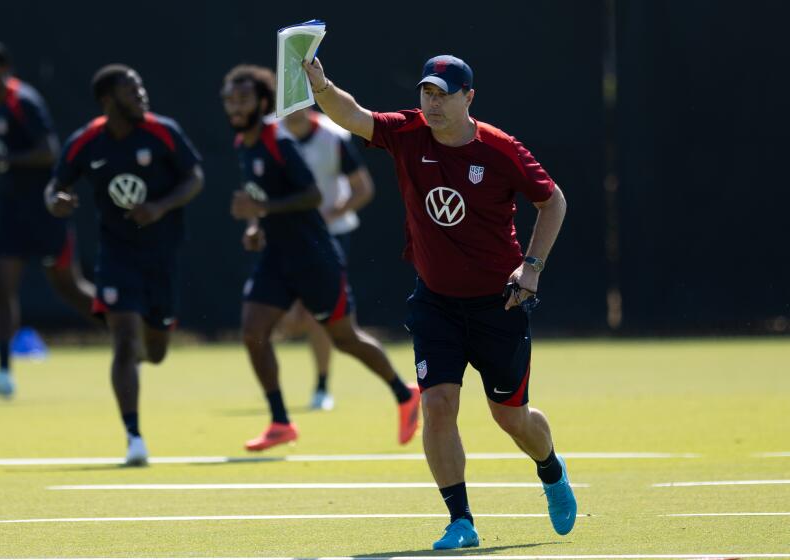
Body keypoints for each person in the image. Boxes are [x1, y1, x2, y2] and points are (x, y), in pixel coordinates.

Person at [303, 54, 575, 548]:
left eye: (442, 95)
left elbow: (552, 200)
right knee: (439, 405)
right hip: (435, 303)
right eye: (426, 93)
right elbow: (353, 115)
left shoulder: (499, 149)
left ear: (468, 97)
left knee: (511, 417)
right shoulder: (407, 134)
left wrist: (530, 269)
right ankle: (461, 521)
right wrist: (321, 85)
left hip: (500, 303)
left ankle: (551, 470)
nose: (431, 104)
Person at [221, 65, 420, 451]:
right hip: (277, 256)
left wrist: (261, 206)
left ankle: (403, 392)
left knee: (344, 338)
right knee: (252, 330)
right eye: (229, 99)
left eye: (242, 98)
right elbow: (267, 200)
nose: (234, 106)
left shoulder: (278, 139)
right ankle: (280, 421)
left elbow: (311, 196)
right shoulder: (243, 144)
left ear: (263, 101)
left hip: (315, 257)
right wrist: (255, 226)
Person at [45, 64, 204, 465]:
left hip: (161, 255)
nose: (141, 94)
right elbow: (55, 187)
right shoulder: (86, 141)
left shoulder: (162, 131)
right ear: (107, 100)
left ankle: (138, 352)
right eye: (131, 89)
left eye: (140, 86)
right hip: (117, 255)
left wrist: (160, 206)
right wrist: (56, 202)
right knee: (124, 341)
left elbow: (195, 176)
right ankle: (134, 437)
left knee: (155, 351)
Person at [0, 40, 96, 399]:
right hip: (9, 212)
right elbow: (0, 156)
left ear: (3, 69)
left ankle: (127, 332)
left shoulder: (23, 101)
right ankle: (4, 373)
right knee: (0, 287)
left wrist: (2, 161)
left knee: (69, 287)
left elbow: (48, 151)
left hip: (43, 210)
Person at [276, 108, 375, 411]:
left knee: (319, 315)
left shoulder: (334, 136)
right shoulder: (269, 135)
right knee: (286, 319)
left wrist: (331, 214)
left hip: (329, 237)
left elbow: (363, 189)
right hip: (285, 235)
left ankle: (321, 385)